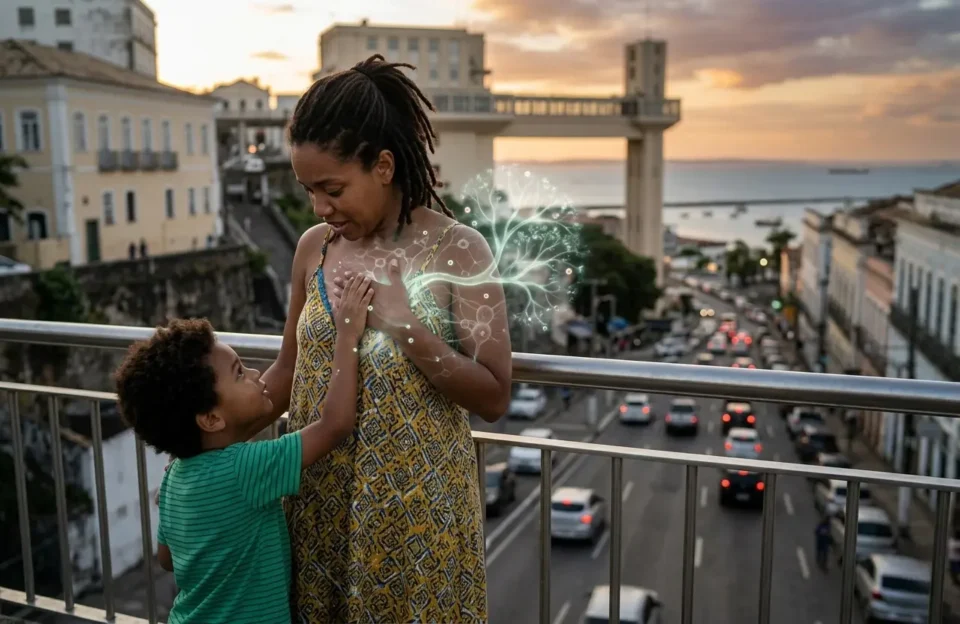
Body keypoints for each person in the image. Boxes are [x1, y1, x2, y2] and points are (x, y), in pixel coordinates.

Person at [261, 54, 512, 622]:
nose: (321, 207)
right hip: (317, 510)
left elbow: (495, 395)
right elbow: (286, 373)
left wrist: (405, 324)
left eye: (332, 188)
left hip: (418, 528)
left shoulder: (459, 249)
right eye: (308, 191)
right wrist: (207, 450)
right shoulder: (313, 248)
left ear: (382, 165)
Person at [113, 274, 373, 624]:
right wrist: (347, 335)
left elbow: (166, 559)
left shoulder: (174, 477)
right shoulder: (245, 469)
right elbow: (335, 425)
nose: (254, 374)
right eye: (239, 373)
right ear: (210, 419)